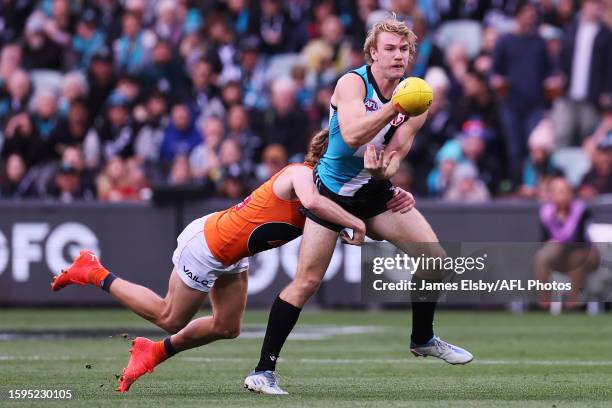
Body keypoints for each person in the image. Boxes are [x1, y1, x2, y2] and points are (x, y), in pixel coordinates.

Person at [50, 132, 414, 392]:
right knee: (169, 317)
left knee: (227, 327)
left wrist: (390, 201)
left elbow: (372, 225)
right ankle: (92, 270)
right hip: (208, 245)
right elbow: (318, 206)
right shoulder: (301, 174)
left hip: (234, 255)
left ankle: (153, 351)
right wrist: (354, 221)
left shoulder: (329, 192)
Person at [244, 15, 473, 396]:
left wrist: (386, 173)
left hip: (373, 193)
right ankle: (262, 371)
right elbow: (351, 136)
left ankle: (423, 338)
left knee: (436, 261)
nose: (398, 55)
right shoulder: (352, 82)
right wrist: (393, 107)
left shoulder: (418, 97)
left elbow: (398, 154)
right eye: (390, 49)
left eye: (404, 49)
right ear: (372, 54)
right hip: (331, 193)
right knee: (308, 282)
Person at [534, 176, 599, 309]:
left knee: (576, 257)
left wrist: (559, 242)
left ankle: (573, 301)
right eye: (559, 192)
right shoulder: (546, 213)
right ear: (551, 194)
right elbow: (544, 239)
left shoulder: (582, 210)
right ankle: (544, 299)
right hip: (560, 256)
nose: (563, 195)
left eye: (566, 191)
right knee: (541, 256)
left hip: (585, 253)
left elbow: (581, 240)